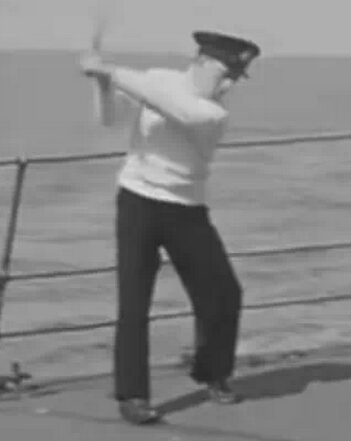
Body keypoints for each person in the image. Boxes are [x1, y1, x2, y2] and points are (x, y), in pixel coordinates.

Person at [79, 30, 260, 425]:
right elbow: (109, 119)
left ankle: (213, 372)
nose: (228, 86)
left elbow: (179, 110)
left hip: (186, 209)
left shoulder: (213, 113)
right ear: (201, 62)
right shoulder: (157, 80)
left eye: (235, 79)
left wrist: (109, 70)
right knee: (133, 300)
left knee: (223, 293)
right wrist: (102, 83)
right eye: (224, 74)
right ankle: (133, 396)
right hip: (137, 201)